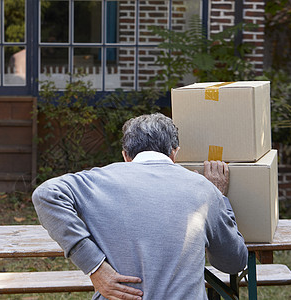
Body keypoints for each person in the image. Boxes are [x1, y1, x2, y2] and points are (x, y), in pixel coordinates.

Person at [32, 113, 248, 300]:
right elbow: (233, 262)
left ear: (125, 155)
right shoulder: (203, 189)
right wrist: (220, 197)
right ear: (175, 153)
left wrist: (94, 266)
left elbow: (45, 194)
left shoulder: (98, 180)